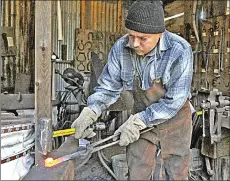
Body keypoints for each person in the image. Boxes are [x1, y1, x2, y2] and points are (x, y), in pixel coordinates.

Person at [71, 0, 193, 180]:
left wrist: (138, 122)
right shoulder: (121, 48)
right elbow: (108, 86)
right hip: (141, 113)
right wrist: (91, 110)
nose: (135, 43)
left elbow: (175, 100)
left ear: (159, 34)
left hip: (174, 119)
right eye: (131, 35)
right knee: (137, 168)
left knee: (175, 170)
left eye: (142, 38)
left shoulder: (180, 51)